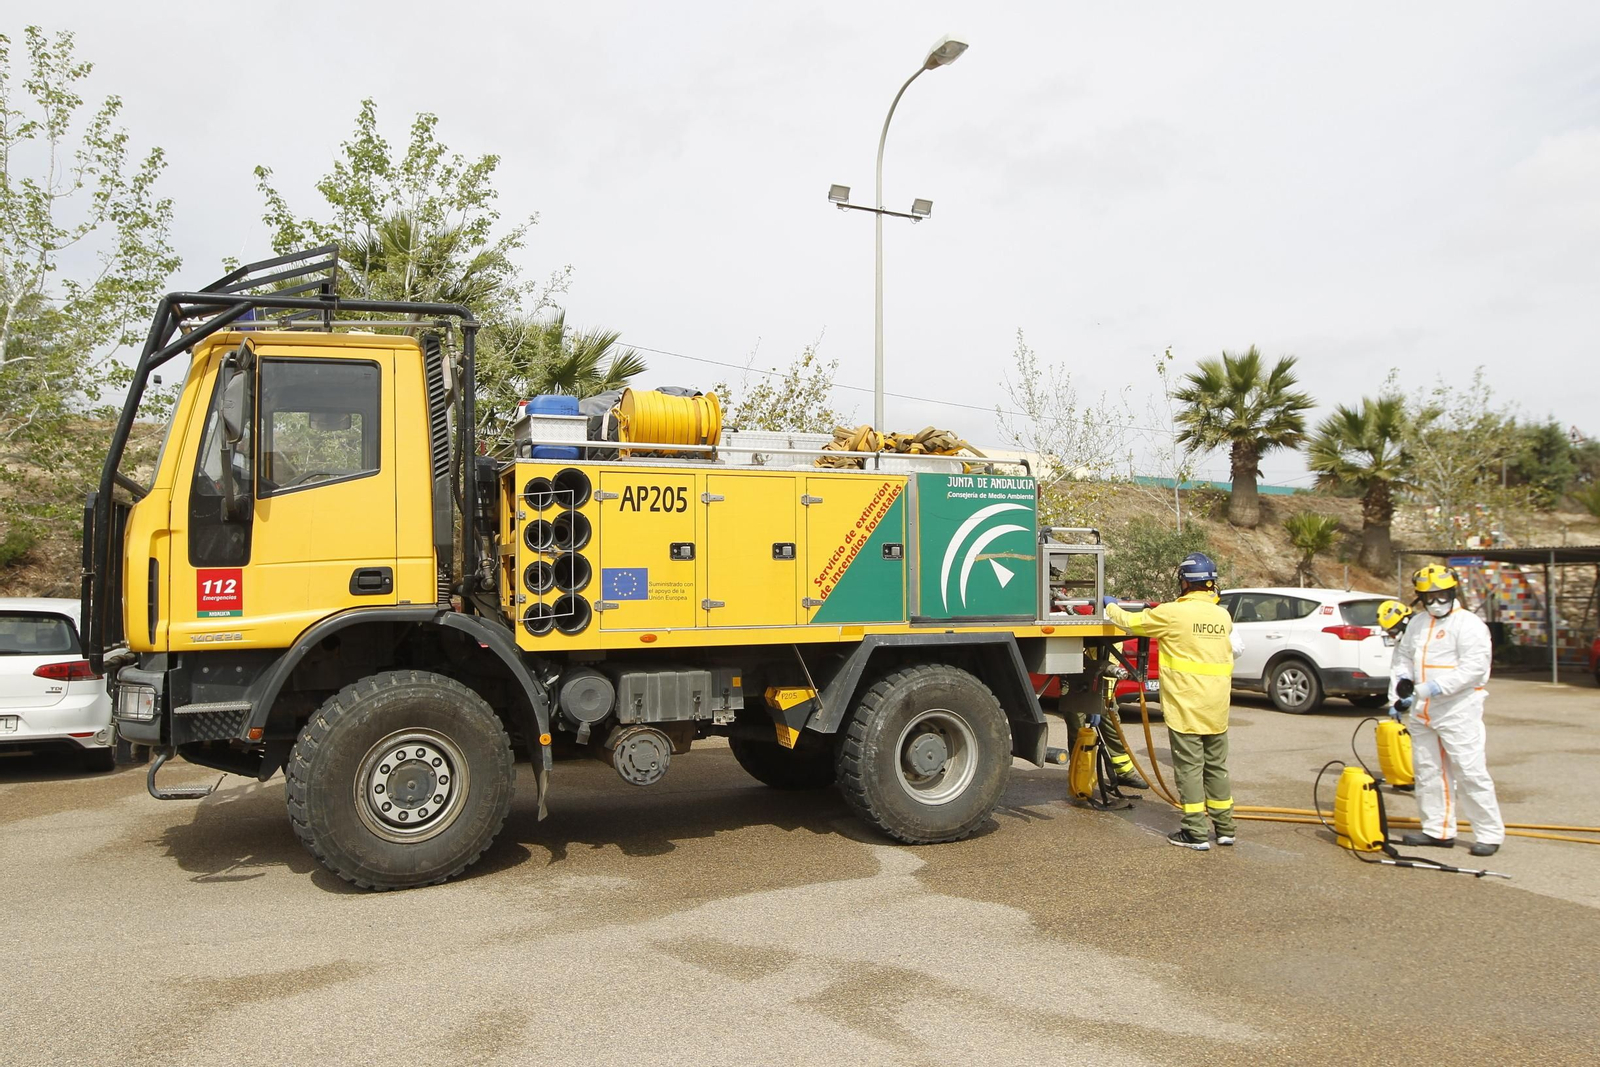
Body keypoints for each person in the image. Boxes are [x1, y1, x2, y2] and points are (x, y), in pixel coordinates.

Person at [1104, 552, 1242, 851]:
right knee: (1216, 767)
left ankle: (1194, 831)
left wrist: (1110, 605)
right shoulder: (1223, 616)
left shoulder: (1173, 613)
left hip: (1187, 706)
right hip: (1216, 707)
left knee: (1190, 768)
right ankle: (1225, 828)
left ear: (1184, 582)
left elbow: (1131, 622)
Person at [1390, 565, 1504, 857]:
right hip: (1423, 710)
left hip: (1458, 708)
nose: (1436, 602)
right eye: (1429, 597)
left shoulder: (1469, 625)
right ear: (1420, 598)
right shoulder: (1417, 624)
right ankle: (1437, 830)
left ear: (1453, 592)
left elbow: (1475, 668)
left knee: (1470, 771)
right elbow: (1403, 655)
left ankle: (1489, 833)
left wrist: (1436, 687)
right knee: (1428, 771)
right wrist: (1402, 682)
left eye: (1441, 595)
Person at [1377, 598, 1415, 717]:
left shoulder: (1421, 635)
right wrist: (1394, 702)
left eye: (1392, 630)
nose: (1391, 635)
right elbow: (1397, 670)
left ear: (1404, 622)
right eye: (1388, 631)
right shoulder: (1402, 642)